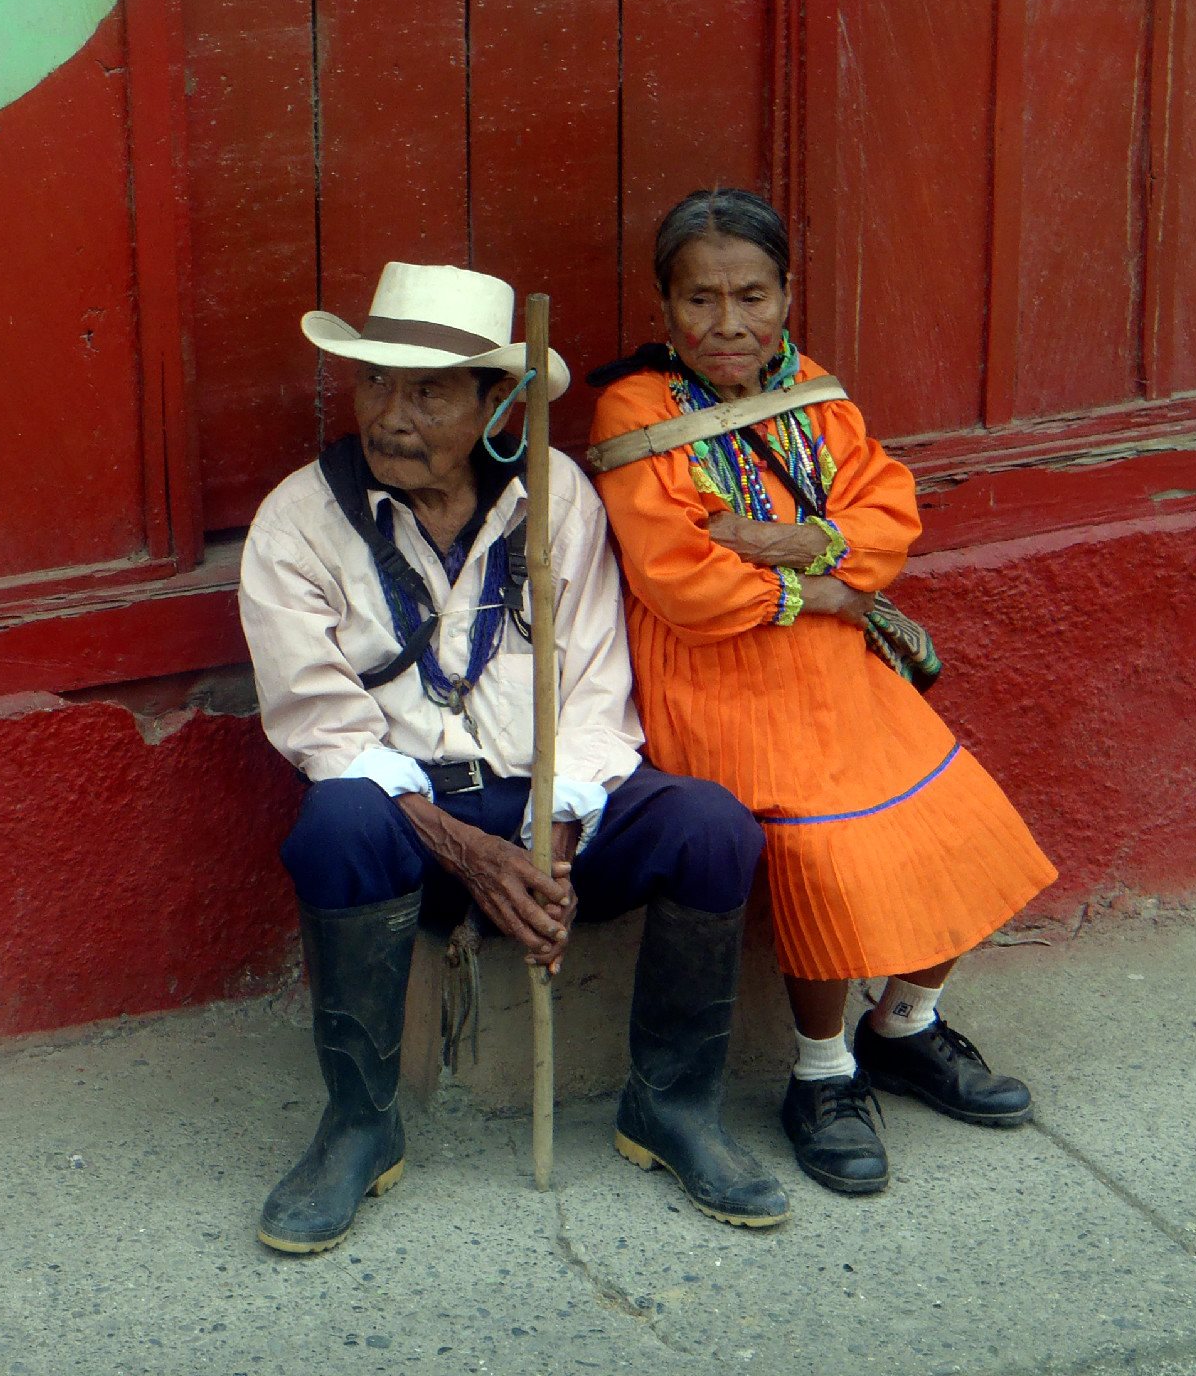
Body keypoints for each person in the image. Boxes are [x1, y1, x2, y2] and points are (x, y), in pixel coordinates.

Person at [239, 261, 786, 1253]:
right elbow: (324, 732)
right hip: (410, 828)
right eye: (374, 384)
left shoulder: (554, 496)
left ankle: (671, 1106)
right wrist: (472, 855)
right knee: (334, 826)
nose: (390, 415)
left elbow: (592, 692)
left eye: (429, 392)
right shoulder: (297, 523)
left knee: (711, 830)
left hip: (548, 812)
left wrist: (553, 842)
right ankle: (359, 1127)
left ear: (499, 401)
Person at [586, 189, 1058, 1196]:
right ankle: (820, 1075)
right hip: (719, 679)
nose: (726, 324)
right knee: (824, 849)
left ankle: (902, 1025)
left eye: (749, 295)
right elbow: (681, 581)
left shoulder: (813, 391)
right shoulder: (632, 408)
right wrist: (824, 576)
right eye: (699, 299)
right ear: (663, 305)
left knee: (964, 822)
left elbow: (884, 514)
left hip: (832, 659)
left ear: (786, 294)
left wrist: (796, 543)